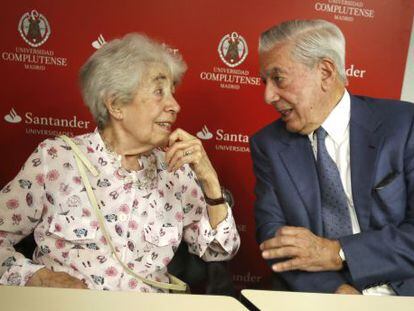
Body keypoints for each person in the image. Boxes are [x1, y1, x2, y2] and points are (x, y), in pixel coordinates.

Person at [0, 33, 240, 292]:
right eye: (159, 92)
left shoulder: (176, 170)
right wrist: (38, 277)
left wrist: (209, 180)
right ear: (116, 105)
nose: (175, 106)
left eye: (172, 93)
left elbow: (218, 250)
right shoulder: (55, 159)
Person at [250, 19, 414, 295]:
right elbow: (275, 239)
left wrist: (339, 252)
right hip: (323, 295)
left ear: (325, 72)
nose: (268, 95)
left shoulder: (405, 125)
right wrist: (337, 292)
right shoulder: (269, 145)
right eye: (264, 81)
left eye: (278, 78)